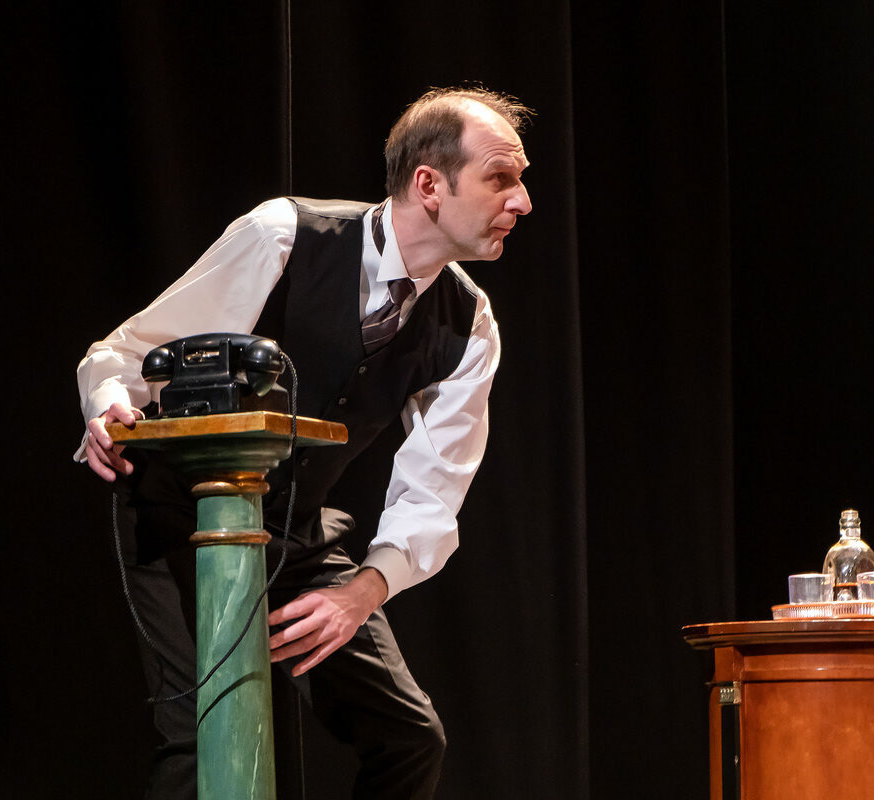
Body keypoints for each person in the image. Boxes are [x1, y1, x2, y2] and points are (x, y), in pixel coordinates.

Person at [75, 87, 532, 798]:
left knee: (409, 739)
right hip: (182, 516)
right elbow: (129, 353)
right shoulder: (285, 235)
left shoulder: (468, 322)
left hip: (296, 533)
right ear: (429, 185)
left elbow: (434, 491)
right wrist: (109, 405)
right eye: (500, 177)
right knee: (206, 735)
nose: (522, 201)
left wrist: (362, 593)